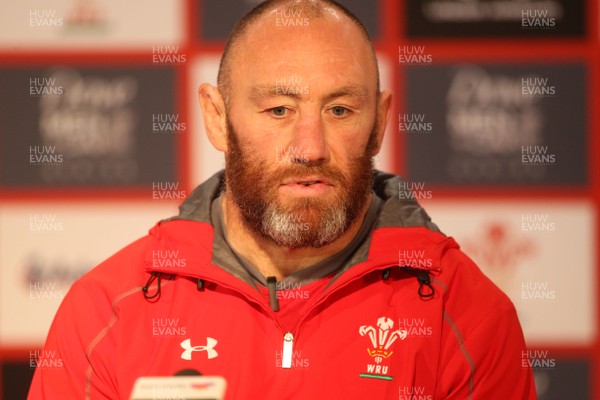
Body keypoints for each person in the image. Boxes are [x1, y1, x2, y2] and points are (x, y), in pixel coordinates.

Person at [28, 0, 536, 398]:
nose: (309, 148)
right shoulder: (108, 314)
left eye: (339, 110)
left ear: (379, 123)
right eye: (278, 109)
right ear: (216, 117)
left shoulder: (468, 316)